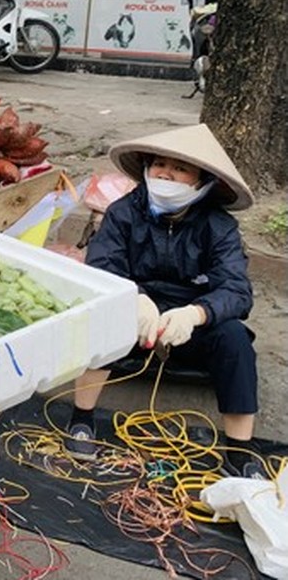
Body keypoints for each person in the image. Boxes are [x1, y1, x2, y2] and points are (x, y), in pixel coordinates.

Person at [65, 124, 263, 478]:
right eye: (159, 164)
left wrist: (196, 314)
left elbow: (236, 289)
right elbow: (101, 268)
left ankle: (239, 450)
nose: (166, 174)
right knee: (100, 323)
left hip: (189, 319)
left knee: (234, 340)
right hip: (136, 312)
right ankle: (81, 421)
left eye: (180, 168)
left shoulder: (219, 227)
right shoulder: (123, 213)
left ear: (201, 180)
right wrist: (134, 300)